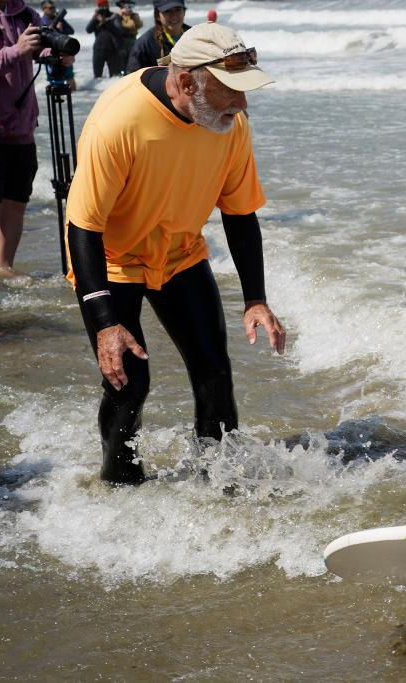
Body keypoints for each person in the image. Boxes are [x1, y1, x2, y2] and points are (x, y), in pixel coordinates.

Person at [64, 22, 285, 485]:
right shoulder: (119, 123)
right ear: (186, 81)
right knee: (130, 386)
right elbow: (83, 227)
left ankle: (216, 484)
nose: (243, 105)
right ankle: (120, 488)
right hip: (112, 261)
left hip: (180, 255)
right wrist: (105, 323)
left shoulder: (228, 125)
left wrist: (255, 299)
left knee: (215, 374)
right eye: (233, 92)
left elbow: (239, 214)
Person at [0, 0, 73, 285]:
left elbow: (39, 49)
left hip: (22, 129)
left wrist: (58, 54)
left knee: (15, 202)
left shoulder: (26, 13)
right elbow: (17, 52)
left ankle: (3, 268)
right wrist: (17, 50)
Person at [125, 0, 188, 74]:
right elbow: (132, 77)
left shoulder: (195, 35)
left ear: (184, 12)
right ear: (157, 15)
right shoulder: (144, 44)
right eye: (167, 11)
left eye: (178, 10)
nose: (174, 15)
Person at [40, 0, 76, 90]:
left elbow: (71, 31)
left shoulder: (59, 19)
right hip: (50, 53)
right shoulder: (41, 21)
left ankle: (74, 96)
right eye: (51, 8)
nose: (53, 10)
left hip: (64, 52)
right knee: (52, 78)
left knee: (69, 76)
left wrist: (61, 29)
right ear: (44, 9)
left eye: (54, 8)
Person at [85, 0, 123, 78]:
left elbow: (119, 31)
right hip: (98, 49)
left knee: (114, 76)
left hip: (112, 50)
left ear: (108, 5)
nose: (103, 7)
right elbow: (88, 30)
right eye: (100, 6)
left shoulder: (114, 16)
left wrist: (104, 21)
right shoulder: (96, 18)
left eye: (105, 5)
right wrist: (94, 18)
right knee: (97, 76)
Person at [114, 0, 142, 73]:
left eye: (130, 6)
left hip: (133, 39)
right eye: (126, 6)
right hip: (122, 41)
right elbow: (118, 27)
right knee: (122, 61)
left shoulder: (134, 16)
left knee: (133, 60)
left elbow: (139, 25)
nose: (129, 8)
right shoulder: (118, 16)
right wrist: (120, 15)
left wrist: (133, 16)